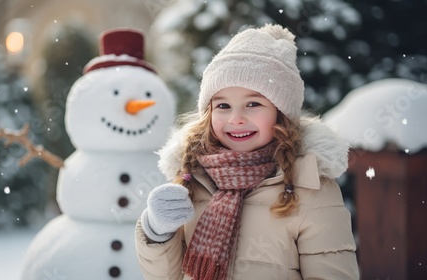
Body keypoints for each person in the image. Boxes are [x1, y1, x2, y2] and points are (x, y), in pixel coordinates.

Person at [135, 23, 359, 279]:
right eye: (223, 105)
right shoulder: (193, 178)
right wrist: (157, 231)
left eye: (253, 103)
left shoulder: (311, 189)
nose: (236, 118)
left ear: (281, 113)